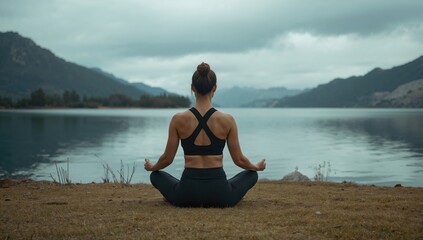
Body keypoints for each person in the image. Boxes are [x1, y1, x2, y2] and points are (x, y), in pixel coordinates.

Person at [144, 62, 266, 207]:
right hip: (221, 195)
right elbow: (239, 160)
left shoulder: (178, 119)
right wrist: (256, 167)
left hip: (186, 195)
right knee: (251, 174)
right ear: (214, 88)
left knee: (156, 176)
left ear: (192, 88)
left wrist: (152, 167)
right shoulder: (227, 120)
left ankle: (174, 195)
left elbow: (167, 159)